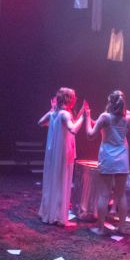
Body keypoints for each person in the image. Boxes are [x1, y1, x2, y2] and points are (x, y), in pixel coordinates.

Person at [84, 90, 130, 235]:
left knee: (104, 194)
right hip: (122, 159)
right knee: (121, 194)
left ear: (110, 102)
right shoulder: (128, 118)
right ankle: (121, 228)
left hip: (108, 158)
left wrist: (87, 117)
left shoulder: (105, 117)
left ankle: (100, 228)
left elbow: (90, 135)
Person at [38, 88, 85, 227]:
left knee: (52, 181)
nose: (76, 99)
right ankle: (59, 217)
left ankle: (49, 212)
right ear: (69, 99)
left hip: (53, 153)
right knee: (61, 181)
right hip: (62, 153)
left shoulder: (54, 113)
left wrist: (52, 116)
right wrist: (83, 117)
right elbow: (73, 129)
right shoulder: (65, 114)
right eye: (74, 97)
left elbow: (40, 122)